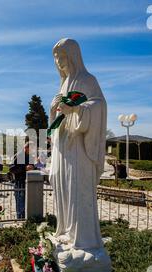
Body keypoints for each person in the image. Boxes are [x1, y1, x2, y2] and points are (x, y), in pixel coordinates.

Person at [49, 39, 108, 254]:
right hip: (64, 146)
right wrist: (54, 108)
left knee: (77, 191)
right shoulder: (64, 83)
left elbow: (99, 106)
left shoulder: (87, 80)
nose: (58, 62)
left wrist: (76, 111)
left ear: (73, 56)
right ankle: (65, 231)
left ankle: (82, 240)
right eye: (56, 58)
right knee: (63, 187)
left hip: (79, 150)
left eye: (62, 57)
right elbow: (57, 117)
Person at [9, 143, 35, 219]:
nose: (32, 151)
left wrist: (33, 167)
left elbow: (32, 166)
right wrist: (24, 168)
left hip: (29, 182)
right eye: (31, 149)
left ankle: (26, 218)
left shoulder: (30, 157)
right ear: (26, 148)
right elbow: (11, 169)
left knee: (28, 202)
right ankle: (20, 219)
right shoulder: (18, 156)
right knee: (20, 202)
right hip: (19, 182)